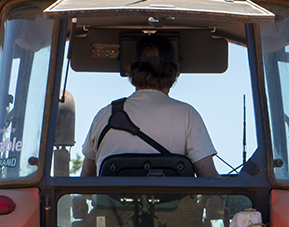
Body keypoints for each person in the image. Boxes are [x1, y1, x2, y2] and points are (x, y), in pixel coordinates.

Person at [80, 34, 220, 178]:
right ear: (174, 73)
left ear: (131, 70)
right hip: (173, 201)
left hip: (110, 202)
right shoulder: (188, 115)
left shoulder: (105, 115)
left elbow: (85, 181)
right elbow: (210, 180)